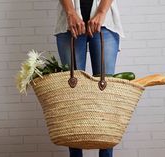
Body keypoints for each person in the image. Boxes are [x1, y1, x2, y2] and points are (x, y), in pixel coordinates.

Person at [54, 0, 124, 157]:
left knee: (105, 95)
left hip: (105, 22)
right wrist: (71, 13)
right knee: (73, 97)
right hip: (69, 22)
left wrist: (101, 12)